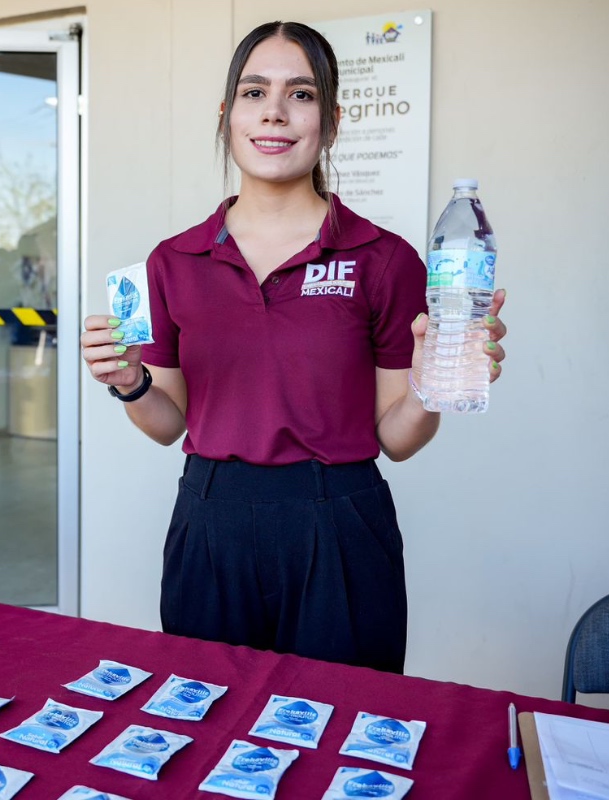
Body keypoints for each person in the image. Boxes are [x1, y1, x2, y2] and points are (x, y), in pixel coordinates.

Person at [81, 21, 508, 674]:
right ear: (228, 116)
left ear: (331, 121)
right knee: (203, 726)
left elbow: (397, 436)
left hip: (339, 525)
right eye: (254, 92)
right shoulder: (173, 262)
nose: (274, 111)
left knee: (344, 731)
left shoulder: (384, 259)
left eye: (300, 94)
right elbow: (167, 424)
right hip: (210, 518)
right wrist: (131, 381)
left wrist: (431, 383)